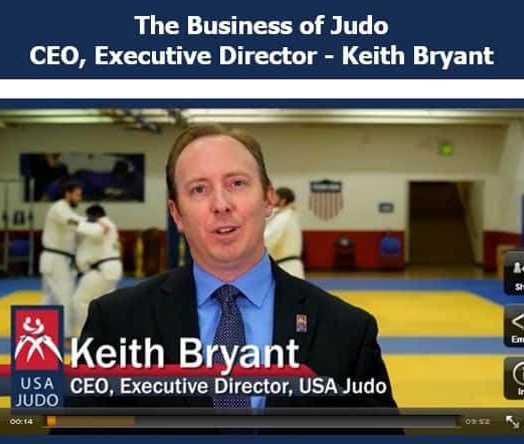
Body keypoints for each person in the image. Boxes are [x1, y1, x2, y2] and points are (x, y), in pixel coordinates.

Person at [78, 125, 398, 412]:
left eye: (237, 183)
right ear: (176, 214)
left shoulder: (347, 332)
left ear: (268, 199)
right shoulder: (115, 325)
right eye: (199, 189)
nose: (221, 204)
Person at [39, 181, 83, 338]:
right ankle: (67, 335)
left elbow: (76, 223)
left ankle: (40, 334)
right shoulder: (59, 208)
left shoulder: (67, 211)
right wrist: (95, 224)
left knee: (50, 298)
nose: (79, 198)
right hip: (56, 260)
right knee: (66, 297)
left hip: (55, 260)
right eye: (77, 195)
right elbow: (73, 222)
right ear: (67, 194)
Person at [72, 204, 123, 334]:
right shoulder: (110, 225)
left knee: (80, 300)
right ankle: (108, 333)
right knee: (103, 303)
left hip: (102, 269)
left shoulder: (103, 224)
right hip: (110, 268)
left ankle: (91, 333)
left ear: (94, 215)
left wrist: (75, 222)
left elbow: (97, 230)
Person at [264, 187, 305, 279]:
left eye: (275, 198)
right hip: (288, 266)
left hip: (287, 268)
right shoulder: (288, 215)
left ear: (283, 201)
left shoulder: (283, 217)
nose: (272, 201)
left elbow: (268, 240)